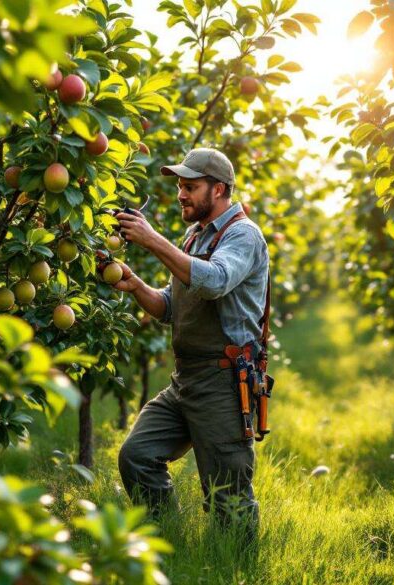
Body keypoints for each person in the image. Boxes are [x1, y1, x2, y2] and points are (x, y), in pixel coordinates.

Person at [111, 147, 270, 538]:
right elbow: (170, 307)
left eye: (190, 186)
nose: (181, 194)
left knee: (227, 496)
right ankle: (170, 542)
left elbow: (214, 281)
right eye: (180, 185)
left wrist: (153, 241)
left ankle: (236, 570)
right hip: (185, 379)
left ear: (218, 190)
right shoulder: (194, 235)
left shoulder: (243, 236)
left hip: (222, 382)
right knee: (137, 456)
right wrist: (135, 285)